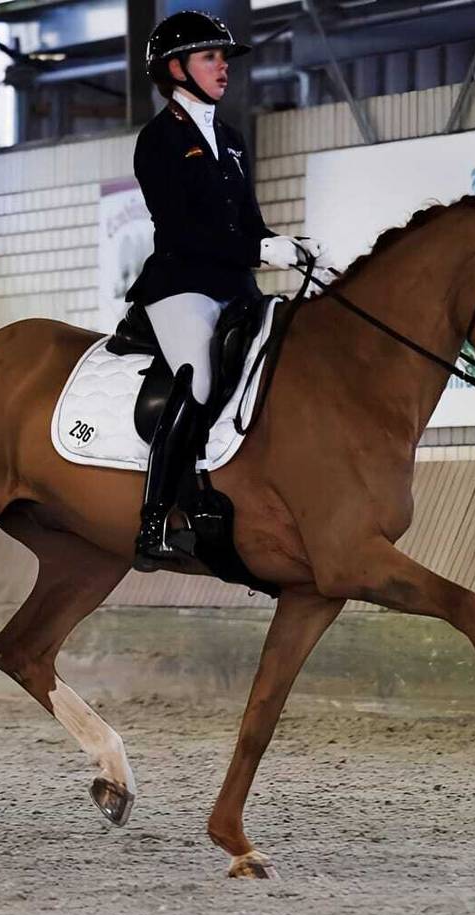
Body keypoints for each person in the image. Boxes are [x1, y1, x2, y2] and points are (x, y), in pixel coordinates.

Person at [127, 9, 323, 570]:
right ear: (176, 67)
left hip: (234, 285)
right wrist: (257, 251)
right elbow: (185, 230)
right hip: (182, 285)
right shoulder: (159, 140)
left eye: (223, 58)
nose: (223, 68)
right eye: (211, 57)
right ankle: (155, 519)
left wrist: (295, 245)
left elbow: (251, 226)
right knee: (200, 377)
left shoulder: (232, 140)